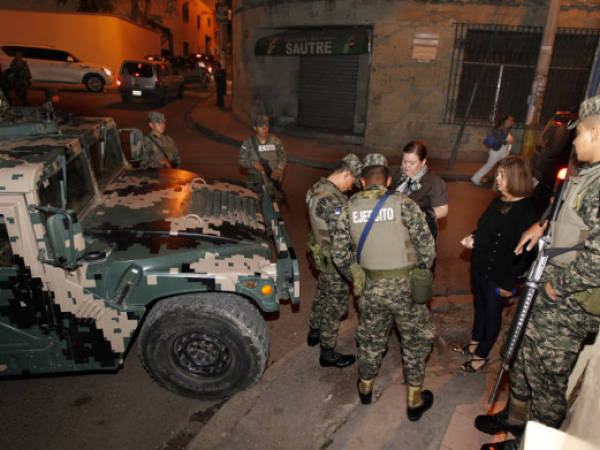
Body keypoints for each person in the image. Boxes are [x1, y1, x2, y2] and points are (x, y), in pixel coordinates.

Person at [475, 95, 600, 450]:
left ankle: (534, 441)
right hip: (546, 290)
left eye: (578, 135)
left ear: (596, 132)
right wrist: (542, 226)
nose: (572, 141)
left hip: (567, 303)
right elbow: (567, 218)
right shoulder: (588, 177)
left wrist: (556, 287)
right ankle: (515, 418)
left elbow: (597, 259)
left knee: (548, 379)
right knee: (525, 358)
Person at [331, 153, 436, 421]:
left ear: (363, 181)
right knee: (414, 341)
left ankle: (365, 388)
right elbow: (427, 248)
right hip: (406, 290)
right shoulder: (405, 204)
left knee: (371, 338)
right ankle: (414, 400)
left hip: (370, 289)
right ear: (388, 180)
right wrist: (419, 272)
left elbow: (339, 255)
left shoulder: (348, 207)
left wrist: (356, 274)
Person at [457, 156, 537, 373]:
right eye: (498, 174)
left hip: (501, 274)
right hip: (480, 266)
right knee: (480, 307)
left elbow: (528, 254)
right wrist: (473, 237)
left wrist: (511, 283)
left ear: (516, 178)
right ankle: (475, 340)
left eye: (503, 175)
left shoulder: (527, 211)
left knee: (493, 314)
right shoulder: (498, 201)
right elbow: (484, 229)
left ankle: (481, 356)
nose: (497, 179)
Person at [305, 153, 363, 368]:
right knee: (335, 307)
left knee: (322, 293)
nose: (352, 187)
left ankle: (314, 330)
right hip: (333, 261)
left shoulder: (315, 188)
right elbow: (342, 239)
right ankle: (327, 352)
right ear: (346, 173)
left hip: (320, 255)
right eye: (352, 181)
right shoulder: (333, 202)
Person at [393, 140, 448, 239]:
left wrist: (419, 215)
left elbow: (443, 210)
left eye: (412, 162)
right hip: (394, 230)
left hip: (419, 234)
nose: (406, 166)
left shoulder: (434, 182)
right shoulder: (395, 174)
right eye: (404, 161)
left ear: (423, 162)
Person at [239, 114, 287, 198]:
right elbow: (241, 160)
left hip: (272, 182)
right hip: (255, 183)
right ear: (255, 128)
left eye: (266, 126)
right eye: (261, 126)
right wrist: (253, 164)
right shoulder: (248, 143)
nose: (264, 129)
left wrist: (279, 170)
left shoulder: (276, 141)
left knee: (273, 206)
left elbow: (283, 158)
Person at [471, 115, 514, 186]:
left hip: (503, 152)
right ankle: (476, 178)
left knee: (504, 167)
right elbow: (498, 140)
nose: (511, 122)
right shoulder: (499, 129)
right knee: (489, 165)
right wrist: (507, 141)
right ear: (504, 121)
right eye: (510, 120)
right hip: (497, 152)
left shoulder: (506, 129)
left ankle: (502, 183)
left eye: (512, 121)